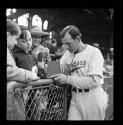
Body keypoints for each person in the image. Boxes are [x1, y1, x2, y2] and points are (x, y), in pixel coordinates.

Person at [50, 25, 108, 120]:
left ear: (77, 38)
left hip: (92, 97)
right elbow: (56, 70)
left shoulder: (94, 52)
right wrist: (45, 66)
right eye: (64, 44)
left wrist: (67, 79)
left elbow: (94, 81)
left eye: (68, 43)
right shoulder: (68, 54)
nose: (65, 47)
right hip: (75, 97)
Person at [7, 19, 40, 120]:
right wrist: (31, 76)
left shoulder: (30, 54)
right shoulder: (15, 53)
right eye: (17, 39)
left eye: (30, 39)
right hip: (18, 93)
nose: (16, 42)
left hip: (29, 92)